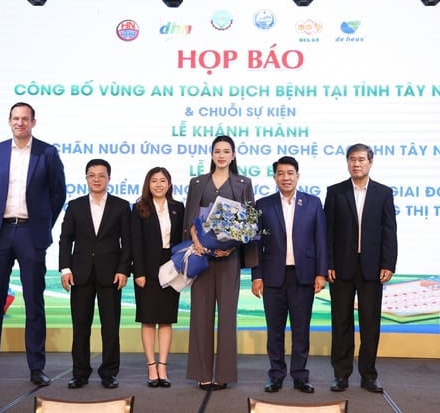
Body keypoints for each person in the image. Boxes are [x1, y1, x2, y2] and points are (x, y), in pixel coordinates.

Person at [0, 102, 66, 388]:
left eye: (25, 119)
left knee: (34, 302)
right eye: (15, 118)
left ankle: (37, 368)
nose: (20, 123)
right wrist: (0, 215)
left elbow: (58, 193)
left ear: (34, 122)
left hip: (30, 234)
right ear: (9, 121)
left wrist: (42, 224)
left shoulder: (47, 152)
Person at [184, 135, 258, 391]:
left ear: (234, 155)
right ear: (212, 154)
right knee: (200, 316)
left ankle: (224, 374)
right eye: (217, 151)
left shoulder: (243, 183)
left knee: (227, 318)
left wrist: (231, 246)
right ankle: (202, 373)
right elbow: (190, 218)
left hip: (229, 260)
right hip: (202, 257)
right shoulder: (197, 182)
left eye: (227, 151)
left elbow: (248, 223)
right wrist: (196, 242)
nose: (222, 155)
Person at [324, 143, 397, 394]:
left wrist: (389, 263)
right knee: (341, 322)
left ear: (370, 163)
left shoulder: (383, 193)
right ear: (347, 162)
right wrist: (328, 263)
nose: (356, 164)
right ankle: (341, 375)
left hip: (372, 268)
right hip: (341, 268)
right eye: (352, 159)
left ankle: (369, 375)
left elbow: (389, 231)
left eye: (361, 160)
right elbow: (328, 232)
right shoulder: (335, 192)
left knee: (370, 323)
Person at [251, 156, 327, 394]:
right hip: (273, 277)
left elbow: (321, 241)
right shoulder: (263, 205)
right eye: (281, 173)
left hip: (303, 277)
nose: (286, 177)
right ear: (275, 177)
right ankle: (275, 375)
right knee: (274, 330)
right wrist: (257, 275)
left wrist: (321, 273)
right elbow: (255, 244)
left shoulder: (313, 203)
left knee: (301, 329)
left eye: (290, 173)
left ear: (298, 176)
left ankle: (300, 376)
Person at [58, 158, 132, 389]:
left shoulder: (121, 206)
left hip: (111, 275)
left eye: (101, 175)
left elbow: (127, 243)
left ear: (109, 178)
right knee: (81, 326)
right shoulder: (75, 205)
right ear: (86, 178)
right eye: (92, 175)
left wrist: (123, 271)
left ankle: (109, 373)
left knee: (111, 327)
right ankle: (80, 373)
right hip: (80, 274)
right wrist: (65, 269)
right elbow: (65, 239)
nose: (97, 179)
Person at [131, 167, 185, 388]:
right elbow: (135, 242)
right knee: (148, 318)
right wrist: (140, 272)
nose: (159, 185)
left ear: (169, 184)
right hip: (147, 268)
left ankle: (163, 365)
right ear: (148, 184)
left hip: (171, 268)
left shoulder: (178, 208)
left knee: (166, 318)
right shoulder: (139, 208)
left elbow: (182, 240)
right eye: (154, 181)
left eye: (163, 181)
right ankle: (151, 366)